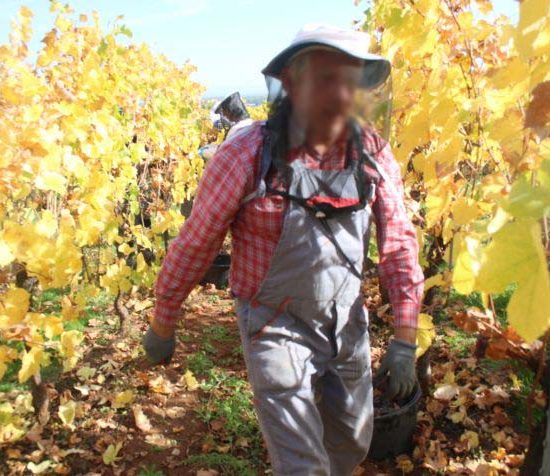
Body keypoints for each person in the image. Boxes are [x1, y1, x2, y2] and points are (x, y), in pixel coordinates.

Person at [143, 24, 424, 476]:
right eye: (323, 77)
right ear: (291, 83)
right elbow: (197, 243)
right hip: (273, 324)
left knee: (353, 442)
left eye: (348, 80)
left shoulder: (372, 153)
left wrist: (406, 340)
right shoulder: (247, 156)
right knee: (301, 463)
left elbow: (399, 244)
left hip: (347, 322)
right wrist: (164, 319)